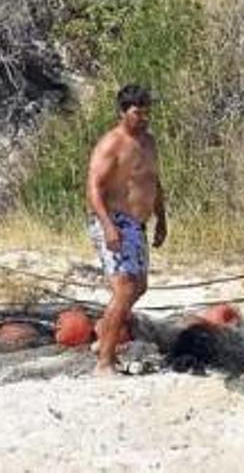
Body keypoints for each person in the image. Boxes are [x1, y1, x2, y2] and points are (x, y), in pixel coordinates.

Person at [85, 84, 167, 376]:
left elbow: (153, 184)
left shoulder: (149, 143)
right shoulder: (112, 144)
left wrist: (161, 219)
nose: (143, 118)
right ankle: (104, 362)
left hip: (138, 225)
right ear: (122, 112)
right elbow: (93, 188)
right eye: (137, 112)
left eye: (147, 113)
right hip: (114, 220)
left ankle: (104, 334)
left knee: (140, 286)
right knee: (125, 288)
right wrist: (108, 226)